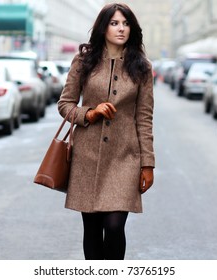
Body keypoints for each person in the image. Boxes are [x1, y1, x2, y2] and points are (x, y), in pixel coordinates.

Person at [58, 3, 155, 260]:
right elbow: (65, 104)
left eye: (125, 23)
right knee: (91, 229)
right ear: (103, 28)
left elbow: (144, 119)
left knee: (114, 227)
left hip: (125, 157)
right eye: (114, 23)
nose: (121, 28)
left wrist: (148, 164)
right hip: (86, 157)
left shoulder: (142, 68)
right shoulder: (84, 61)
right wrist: (89, 113)